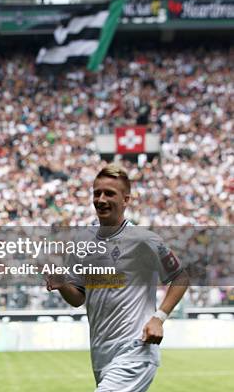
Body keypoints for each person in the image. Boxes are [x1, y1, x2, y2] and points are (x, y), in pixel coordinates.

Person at [46, 164, 189, 392]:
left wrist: (158, 318)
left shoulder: (144, 240)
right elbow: (78, 298)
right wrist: (62, 283)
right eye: (97, 193)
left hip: (136, 349)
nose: (101, 199)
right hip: (101, 353)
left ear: (126, 199)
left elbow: (180, 276)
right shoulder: (83, 242)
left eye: (109, 193)